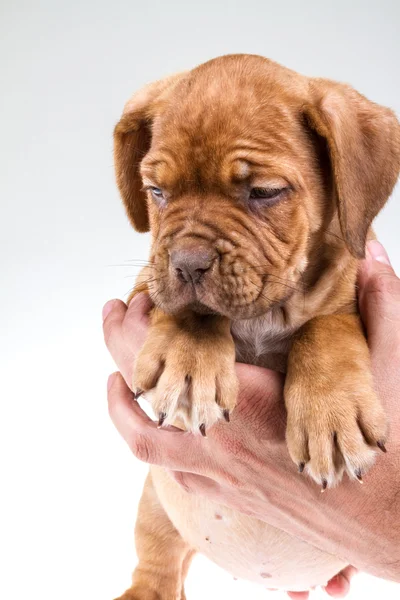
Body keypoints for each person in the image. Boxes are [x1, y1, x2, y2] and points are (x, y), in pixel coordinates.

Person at [103, 240, 400, 599]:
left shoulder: (337, 259)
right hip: (188, 507)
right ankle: (154, 580)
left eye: (262, 192)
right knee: (159, 501)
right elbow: (148, 298)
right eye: (159, 193)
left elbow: (358, 325)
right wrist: (187, 324)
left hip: (344, 545)